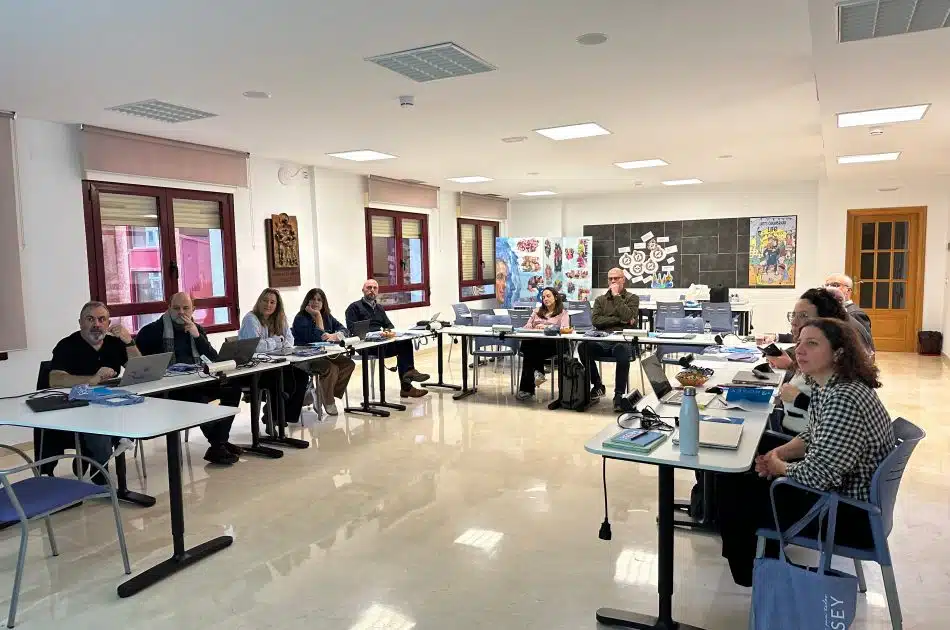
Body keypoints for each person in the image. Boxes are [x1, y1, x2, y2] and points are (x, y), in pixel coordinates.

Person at [717, 317, 894, 586]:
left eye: (812, 344)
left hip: (847, 515)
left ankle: (753, 572)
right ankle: (760, 561)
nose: (799, 350)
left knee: (736, 489)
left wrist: (779, 466)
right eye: (799, 342)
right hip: (843, 498)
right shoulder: (830, 386)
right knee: (750, 465)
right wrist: (777, 454)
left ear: (838, 353)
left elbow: (819, 475)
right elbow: (812, 436)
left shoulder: (843, 398)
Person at [136, 292, 243, 465]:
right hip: (168, 389)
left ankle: (220, 440)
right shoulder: (152, 331)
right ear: (168, 308)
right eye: (176, 308)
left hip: (196, 381)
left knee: (233, 388)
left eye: (185, 308)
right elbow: (139, 365)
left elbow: (213, 358)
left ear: (193, 309)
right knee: (197, 399)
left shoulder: (196, 329)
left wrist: (197, 336)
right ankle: (218, 444)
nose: (181, 312)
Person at [46, 301, 140, 480]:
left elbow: (138, 370)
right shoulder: (67, 345)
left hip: (112, 404)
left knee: (137, 413)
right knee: (101, 432)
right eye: (90, 319)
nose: (96, 324)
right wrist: (91, 380)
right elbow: (55, 379)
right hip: (79, 407)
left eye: (101, 319)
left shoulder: (114, 343)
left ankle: (95, 459)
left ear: (108, 323)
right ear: (80, 323)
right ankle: (100, 472)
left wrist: (129, 342)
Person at [768, 288, 868, 434]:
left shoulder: (835, 367)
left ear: (826, 321)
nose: (794, 322)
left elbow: (836, 412)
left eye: (803, 316)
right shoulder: (820, 359)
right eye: (793, 315)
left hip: (802, 436)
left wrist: (798, 399)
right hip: (797, 433)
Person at [344, 279, 429, 398]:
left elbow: (389, 326)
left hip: (381, 342)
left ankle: (408, 379)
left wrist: (387, 332)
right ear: (363, 290)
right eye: (369, 287)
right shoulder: (354, 308)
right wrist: (373, 334)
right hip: (365, 346)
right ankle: (407, 383)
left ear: (377, 291)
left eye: (375, 288)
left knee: (405, 342)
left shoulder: (379, 308)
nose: (372, 290)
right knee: (402, 347)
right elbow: (352, 331)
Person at [239, 288, 310, 427]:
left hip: (272, 365)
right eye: (265, 301)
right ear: (259, 302)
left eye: (272, 302)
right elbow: (256, 347)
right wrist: (277, 341)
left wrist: (274, 343)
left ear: (277, 305)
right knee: (282, 379)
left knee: (301, 376)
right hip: (253, 370)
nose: (268, 305)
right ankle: (274, 416)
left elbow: (289, 341)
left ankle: (284, 416)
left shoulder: (279, 318)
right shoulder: (250, 319)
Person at [583, 267, 639, 412]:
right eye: (610, 279)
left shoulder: (632, 298)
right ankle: (597, 385)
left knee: (621, 350)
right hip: (603, 340)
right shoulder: (600, 300)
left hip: (622, 341)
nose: (613, 281)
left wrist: (616, 296)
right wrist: (619, 320)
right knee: (583, 347)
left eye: (616, 278)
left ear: (623, 280)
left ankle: (619, 395)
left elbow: (628, 316)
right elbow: (596, 321)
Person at [292, 288, 356, 415]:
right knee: (331, 368)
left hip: (326, 354)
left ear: (323, 302)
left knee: (348, 364)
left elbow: (345, 330)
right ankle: (328, 400)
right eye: (313, 299)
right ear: (307, 301)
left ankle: (322, 394)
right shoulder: (300, 318)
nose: (316, 302)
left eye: (319, 300)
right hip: (306, 358)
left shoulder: (327, 316)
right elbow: (318, 338)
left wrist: (335, 335)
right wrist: (317, 316)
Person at [516, 287, 570, 401]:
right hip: (536, 343)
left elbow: (564, 329)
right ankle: (539, 373)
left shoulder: (563, 313)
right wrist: (531, 326)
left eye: (548, 296)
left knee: (529, 349)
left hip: (554, 345)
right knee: (528, 345)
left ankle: (527, 389)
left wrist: (547, 327)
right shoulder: (537, 311)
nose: (545, 299)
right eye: (543, 297)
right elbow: (527, 325)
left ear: (556, 297)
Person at [824, 284, 875, 353]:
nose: (829, 287)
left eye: (835, 285)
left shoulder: (854, 314)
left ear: (848, 290)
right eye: (827, 285)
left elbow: (864, 347)